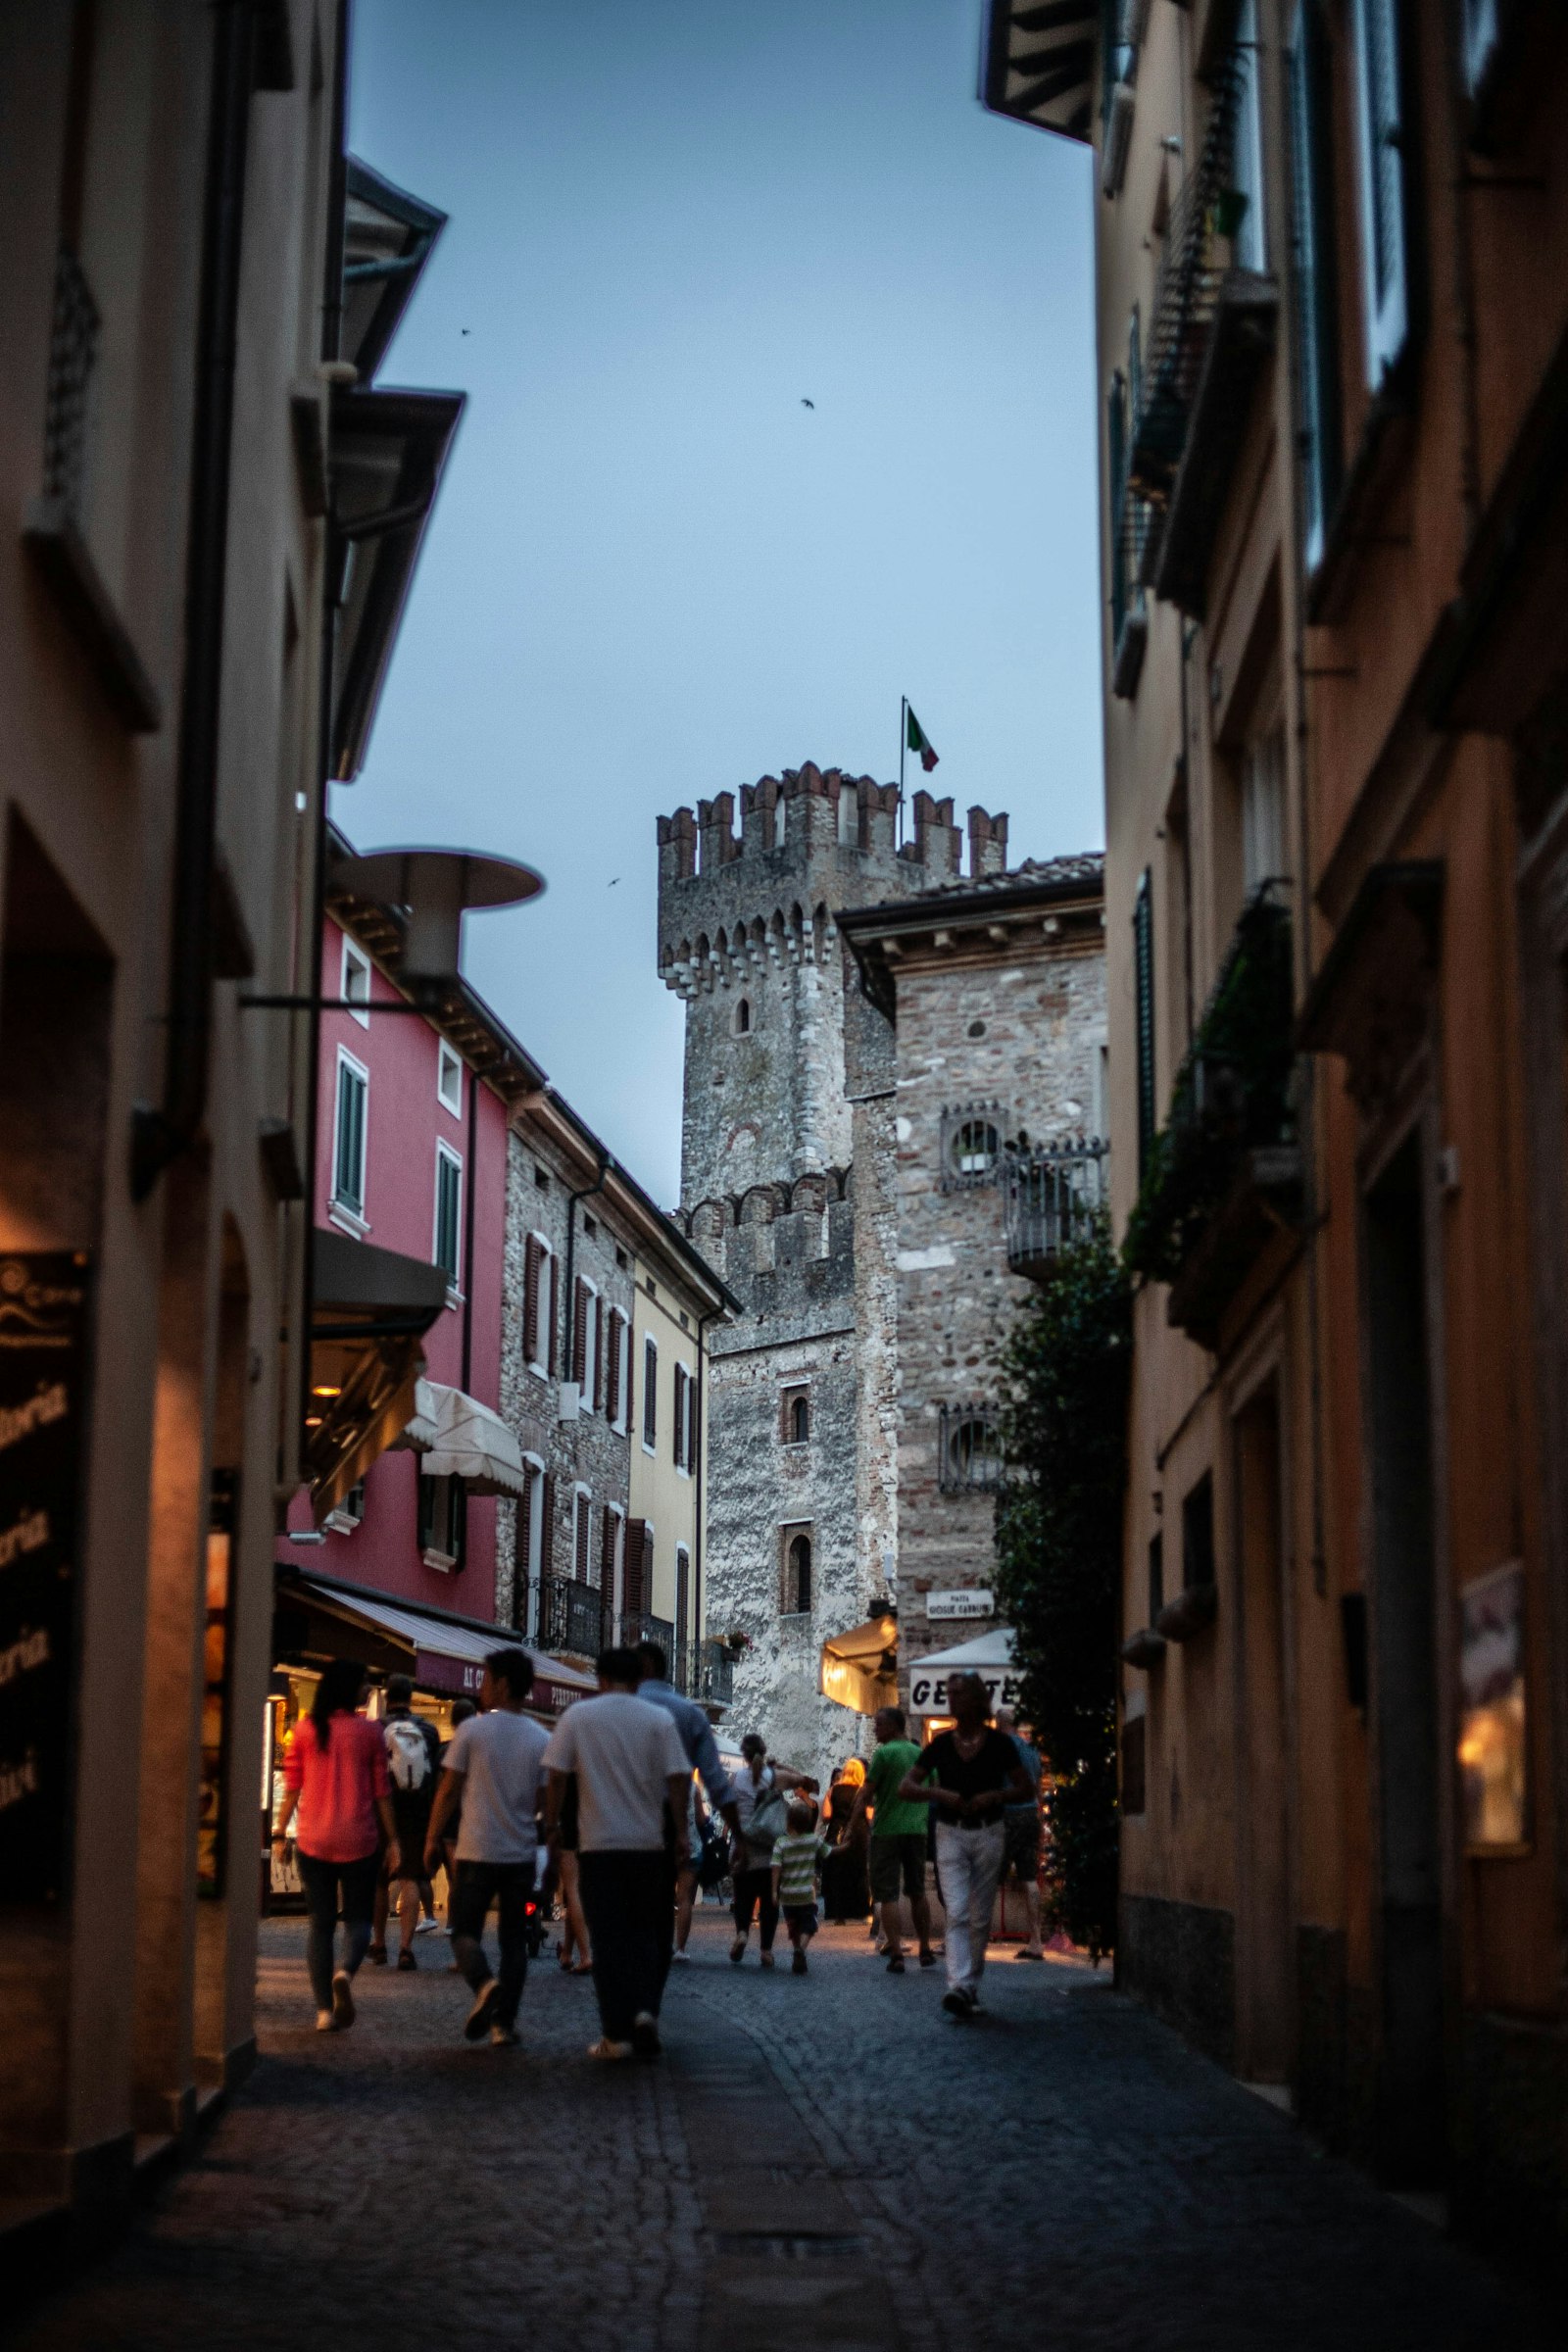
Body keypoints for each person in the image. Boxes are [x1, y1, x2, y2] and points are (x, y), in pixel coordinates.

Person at [542, 1648, 690, 2060]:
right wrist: (680, 1832)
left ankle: (615, 2034)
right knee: (648, 1934)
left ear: (600, 1678)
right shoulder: (659, 1720)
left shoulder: (578, 1717)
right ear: (639, 1680)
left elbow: (555, 1775)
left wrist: (552, 1825)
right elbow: (678, 1779)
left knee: (608, 1939)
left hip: (598, 1846)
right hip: (647, 1845)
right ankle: (645, 2010)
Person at [423, 1649, 549, 2048]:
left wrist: (431, 1839)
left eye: (487, 1678)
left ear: (504, 1685)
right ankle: (503, 2024)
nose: (482, 1687)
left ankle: (484, 1983)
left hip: (476, 1851)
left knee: (463, 1931)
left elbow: (447, 1791)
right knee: (514, 1941)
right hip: (521, 1855)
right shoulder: (540, 1738)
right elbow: (546, 1802)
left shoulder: (472, 1733)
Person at [271, 1658, 397, 2033]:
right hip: (359, 1838)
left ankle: (324, 2011)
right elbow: (381, 1794)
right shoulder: (370, 1732)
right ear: (348, 1687)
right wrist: (394, 1841)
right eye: (363, 1682)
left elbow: (292, 1786)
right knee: (358, 1921)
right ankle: (344, 1972)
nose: (368, 1690)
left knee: (319, 1925)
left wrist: (279, 1832)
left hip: (313, 1838)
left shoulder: (307, 1729)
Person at [900, 1673, 1032, 2020]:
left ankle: (969, 1986)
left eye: (958, 1693)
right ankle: (958, 1984)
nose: (951, 1698)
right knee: (957, 1910)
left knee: (980, 1915)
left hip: (990, 1832)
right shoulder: (941, 1745)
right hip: (950, 1832)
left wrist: (996, 1795)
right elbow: (906, 1786)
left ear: (976, 1699)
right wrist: (939, 1793)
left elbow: (1026, 1789)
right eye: (949, 1693)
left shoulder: (1000, 1745)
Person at [635, 1639, 741, 1965]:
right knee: (678, 1898)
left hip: (626, 1819)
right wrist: (740, 1834)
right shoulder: (688, 1713)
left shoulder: (616, 1707)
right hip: (672, 1827)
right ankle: (668, 1958)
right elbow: (718, 1785)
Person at [853, 1705, 936, 1974]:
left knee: (888, 1893)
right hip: (917, 1829)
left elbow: (867, 1791)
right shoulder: (919, 1753)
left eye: (878, 1724)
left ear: (893, 1726)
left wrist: (854, 1824)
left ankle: (897, 1952)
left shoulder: (884, 1753)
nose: (875, 1729)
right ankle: (924, 1948)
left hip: (887, 1831)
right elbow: (934, 1789)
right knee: (917, 1891)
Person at [368, 1673, 442, 1971]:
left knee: (379, 1882)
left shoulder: (376, 1729)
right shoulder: (429, 1730)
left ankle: (380, 1944)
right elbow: (434, 1775)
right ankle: (406, 1949)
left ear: (386, 1697)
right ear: (411, 1698)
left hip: (381, 1808)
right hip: (417, 1812)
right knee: (410, 1878)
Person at [994, 1707, 1047, 1961]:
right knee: (1029, 1877)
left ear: (998, 1723)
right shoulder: (1032, 1750)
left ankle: (975, 1939)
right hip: (1030, 1815)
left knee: (990, 1877)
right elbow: (1038, 1789)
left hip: (1006, 1816)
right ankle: (1036, 1941)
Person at [729, 1734, 784, 1966]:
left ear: (744, 1754)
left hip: (743, 1845)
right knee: (769, 1898)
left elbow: (729, 1809)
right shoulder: (772, 1777)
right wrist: (778, 1766)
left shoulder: (736, 1778)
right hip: (769, 1846)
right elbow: (802, 1779)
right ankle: (766, 1951)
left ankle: (742, 1932)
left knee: (743, 1896)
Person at [770, 1801, 831, 1974]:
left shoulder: (781, 1843)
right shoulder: (813, 1840)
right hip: (805, 1894)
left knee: (794, 1925)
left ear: (788, 1821)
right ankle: (801, 1950)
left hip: (787, 1895)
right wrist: (848, 1846)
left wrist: (774, 1891)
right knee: (809, 1925)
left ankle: (798, 1952)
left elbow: (776, 1868)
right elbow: (829, 1853)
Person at [820, 1756, 870, 1924]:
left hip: (836, 1834)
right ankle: (859, 1911)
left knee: (836, 1873)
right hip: (858, 1834)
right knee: (859, 1872)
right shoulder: (863, 1791)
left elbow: (826, 1816)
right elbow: (870, 1816)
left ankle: (836, 1912)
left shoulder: (832, 1790)